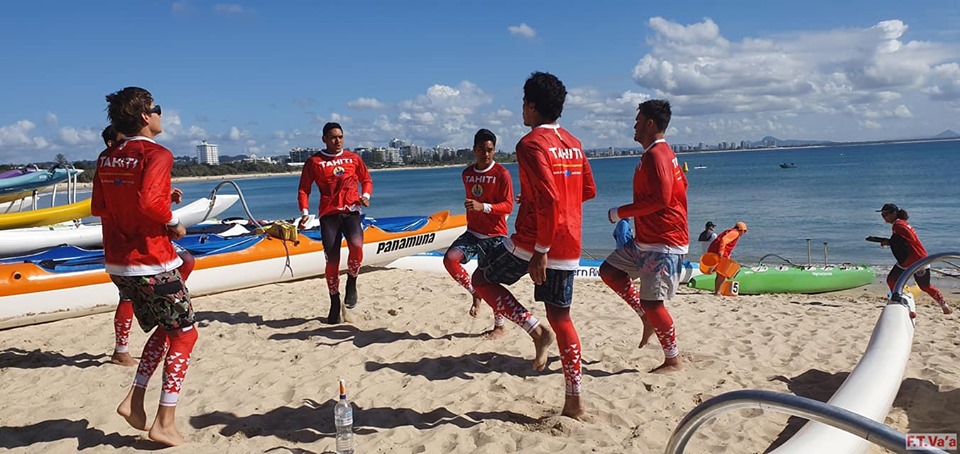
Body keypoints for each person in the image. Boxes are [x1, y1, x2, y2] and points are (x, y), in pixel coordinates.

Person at [471, 71, 596, 418]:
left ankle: (534, 331)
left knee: (481, 281)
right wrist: (540, 202)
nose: (521, 110)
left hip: (535, 240)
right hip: (570, 239)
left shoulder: (529, 144)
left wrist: (540, 249)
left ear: (531, 105)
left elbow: (551, 200)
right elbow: (586, 191)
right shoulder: (574, 142)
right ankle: (574, 401)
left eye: (523, 104)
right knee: (563, 318)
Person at [92, 87, 197, 447]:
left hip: (118, 263)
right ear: (144, 117)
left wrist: (154, 200)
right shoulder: (157, 154)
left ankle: (135, 401)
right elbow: (151, 207)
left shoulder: (107, 157)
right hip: (151, 260)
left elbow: (100, 207)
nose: (160, 115)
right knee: (186, 334)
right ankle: (164, 421)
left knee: (169, 329)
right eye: (158, 109)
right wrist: (172, 221)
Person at [599, 99, 688, 374]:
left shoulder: (657, 155)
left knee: (653, 302)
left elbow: (662, 199)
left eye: (638, 120)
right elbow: (680, 187)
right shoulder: (660, 154)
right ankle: (645, 317)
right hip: (645, 241)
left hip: (664, 244)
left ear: (650, 123)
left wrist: (620, 212)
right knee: (610, 271)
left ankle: (673, 360)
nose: (634, 125)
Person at [105, 126, 197, 367]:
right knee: (181, 333)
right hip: (138, 251)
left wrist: (165, 199)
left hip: (124, 252)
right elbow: (142, 204)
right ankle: (121, 348)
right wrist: (172, 221)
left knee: (187, 260)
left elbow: (140, 201)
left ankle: (126, 349)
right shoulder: (141, 156)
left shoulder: (112, 162)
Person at [297, 122, 373, 324]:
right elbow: (304, 189)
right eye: (332, 137)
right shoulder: (314, 162)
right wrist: (304, 212)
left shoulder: (354, 158)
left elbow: (366, 180)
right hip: (329, 215)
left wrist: (365, 195)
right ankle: (334, 300)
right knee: (332, 261)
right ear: (324, 139)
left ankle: (352, 281)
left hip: (351, 212)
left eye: (340, 136)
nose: (337, 140)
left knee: (357, 246)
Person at [443, 128, 514, 339]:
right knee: (449, 260)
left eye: (490, 150)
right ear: (474, 150)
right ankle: (475, 292)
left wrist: (483, 207)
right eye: (482, 149)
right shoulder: (467, 174)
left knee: (492, 282)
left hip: (495, 235)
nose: (486, 154)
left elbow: (508, 206)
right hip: (473, 233)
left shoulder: (502, 174)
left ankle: (499, 325)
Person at [877, 203, 952, 314]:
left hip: (911, 259)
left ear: (894, 214)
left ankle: (898, 301)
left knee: (892, 279)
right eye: (882, 214)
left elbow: (907, 240)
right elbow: (907, 241)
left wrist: (890, 242)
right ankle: (944, 306)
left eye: (886, 214)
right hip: (922, 258)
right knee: (925, 286)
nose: (883, 216)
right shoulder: (902, 224)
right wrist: (889, 242)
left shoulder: (898, 225)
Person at [708, 222, 748, 296]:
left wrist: (728, 257)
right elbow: (724, 240)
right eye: (744, 231)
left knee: (719, 273)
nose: (744, 233)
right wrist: (721, 251)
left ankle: (717, 291)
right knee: (722, 274)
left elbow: (726, 243)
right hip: (720, 252)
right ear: (740, 230)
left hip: (714, 250)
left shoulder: (730, 231)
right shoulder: (735, 233)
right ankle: (718, 292)